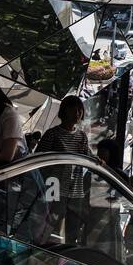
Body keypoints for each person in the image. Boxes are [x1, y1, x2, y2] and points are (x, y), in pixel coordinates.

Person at [38, 94, 90, 244]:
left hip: (75, 189)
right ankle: (44, 251)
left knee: (72, 231)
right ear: (64, 111)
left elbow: (86, 158)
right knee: (49, 224)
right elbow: (40, 161)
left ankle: (65, 259)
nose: (77, 113)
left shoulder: (82, 136)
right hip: (53, 186)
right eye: (73, 109)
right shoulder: (52, 134)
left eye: (80, 110)